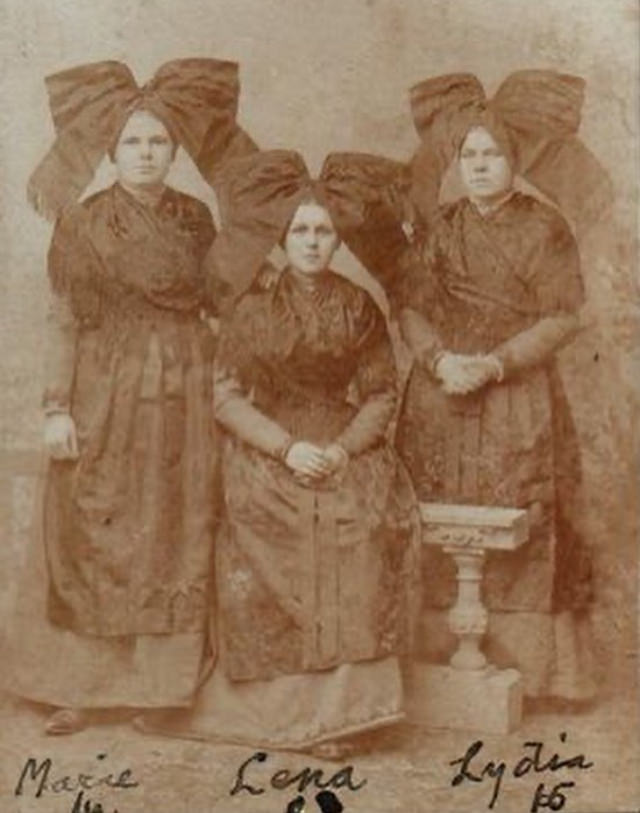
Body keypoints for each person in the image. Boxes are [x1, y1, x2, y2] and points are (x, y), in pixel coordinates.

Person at [3, 58, 255, 734]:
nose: (147, 154)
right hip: (105, 386)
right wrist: (57, 407)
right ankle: (78, 688)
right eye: (133, 143)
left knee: (173, 527)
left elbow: (219, 306)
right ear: (110, 152)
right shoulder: (83, 222)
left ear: (176, 151)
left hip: (183, 387)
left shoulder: (197, 218)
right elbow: (65, 318)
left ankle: (160, 688)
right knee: (94, 526)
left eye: (159, 143)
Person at [139, 150, 420, 757]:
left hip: (342, 442)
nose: (312, 242)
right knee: (264, 520)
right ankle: (277, 712)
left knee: (363, 524)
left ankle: (345, 715)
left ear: (337, 240)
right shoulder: (251, 307)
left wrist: (343, 451)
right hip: (267, 441)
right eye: (300, 231)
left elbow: (379, 393)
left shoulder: (357, 306)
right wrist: (285, 447)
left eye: (323, 231)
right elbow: (225, 395)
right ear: (282, 237)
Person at [393, 71, 613, 707]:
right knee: (437, 514)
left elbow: (565, 315)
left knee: (530, 516)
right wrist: (437, 361)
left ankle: (540, 675)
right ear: (456, 163)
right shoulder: (439, 228)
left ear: (515, 161)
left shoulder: (546, 228)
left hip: (516, 393)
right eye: (471, 156)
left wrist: (495, 363)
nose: (482, 166)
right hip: (440, 394)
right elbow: (411, 307)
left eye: (494, 155)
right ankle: (438, 665)